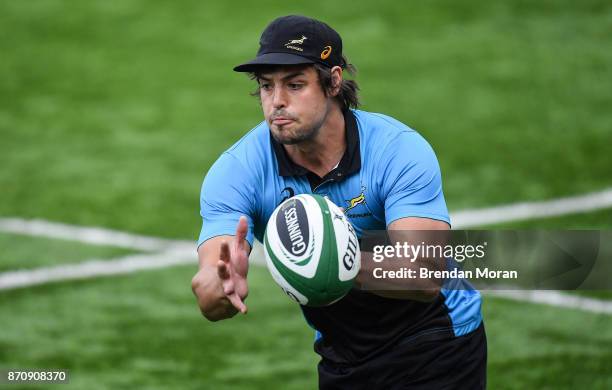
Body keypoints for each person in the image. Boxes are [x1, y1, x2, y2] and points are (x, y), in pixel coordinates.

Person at [191, 15, 486, 389]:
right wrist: (219, 288)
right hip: (342, 354)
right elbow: (210, 284)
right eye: (267, 87)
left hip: (436, 339)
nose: (276, 103)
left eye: (295, 85)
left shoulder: (397, 150)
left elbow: (424, 275)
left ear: (333, 82)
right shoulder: (237, 172)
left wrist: (333, 264)